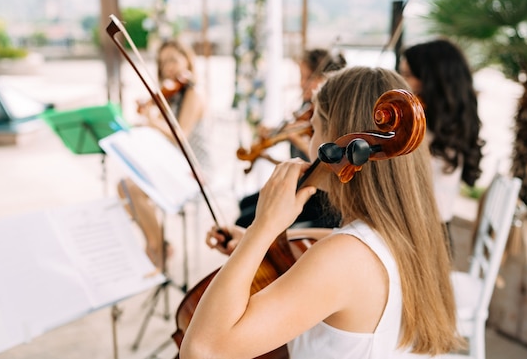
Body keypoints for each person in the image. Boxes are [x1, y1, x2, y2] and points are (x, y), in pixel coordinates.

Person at [180, 67, 464, 359]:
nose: (309, 145)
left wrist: (261, 229)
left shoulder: (345, 256)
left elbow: (202, 350)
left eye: (314, 129)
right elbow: (317, 246)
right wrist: (261, 244)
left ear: (342, 145)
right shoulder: (405, 233)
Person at [117, 39, 208, 271]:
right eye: (162, 62)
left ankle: (156, 249)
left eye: (173, 60)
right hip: (173, 164)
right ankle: (159, 243)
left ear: (188, 60)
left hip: (195, 170)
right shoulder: (173, 95)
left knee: (132, 187)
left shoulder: (193, 94)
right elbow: (162, 133)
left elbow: (180, 134)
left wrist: (151, 119)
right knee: (124, 186)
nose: (168, 67)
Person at [236, 48, 346, 229]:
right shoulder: (306, 109)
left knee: (245, 221)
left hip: (323, 197)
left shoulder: (332, 116)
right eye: (301, 77)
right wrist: (270, 140)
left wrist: (300, 142)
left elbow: (329, 170)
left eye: (308, 77)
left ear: (328, 79)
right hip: (303, 186)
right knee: (245, 204)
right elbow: (297, 165)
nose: (302, 84)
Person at [399, 38, 484, 254]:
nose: (400, 83)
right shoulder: (454, 127)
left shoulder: (424, 133)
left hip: (423, 244)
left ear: (432, 81)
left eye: (407, 75)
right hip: (437, 237)